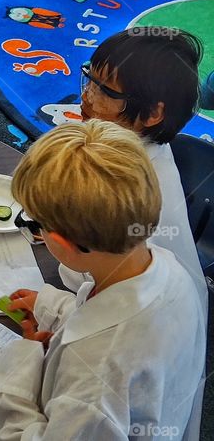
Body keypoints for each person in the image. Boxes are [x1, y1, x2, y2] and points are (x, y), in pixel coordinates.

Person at [0, 120, 205, 440]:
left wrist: (19, 368)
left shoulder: (94, 382)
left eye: (35, 223)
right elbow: (117, 312)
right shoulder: (169, 269)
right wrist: (55, 308)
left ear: (61, 244)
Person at [77, 28, 206, 305]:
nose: (87, 96)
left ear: (151, 114)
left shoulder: (127, 191)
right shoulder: (128, 145)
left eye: (104, 91)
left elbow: (85, 272)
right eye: (89, 79)